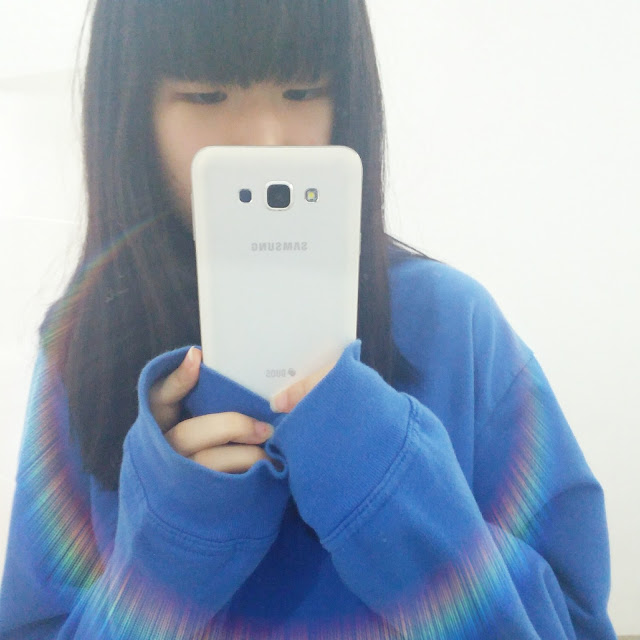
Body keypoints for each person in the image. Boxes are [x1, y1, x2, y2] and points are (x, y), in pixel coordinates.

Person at [0, 1, 617, 638]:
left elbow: (574, 624)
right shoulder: (86, 348)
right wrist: (169, 552)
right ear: (131, 116)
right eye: (206, 94)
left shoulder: (455, 325)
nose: (267, 142)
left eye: (303, 90)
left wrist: (392, 488)